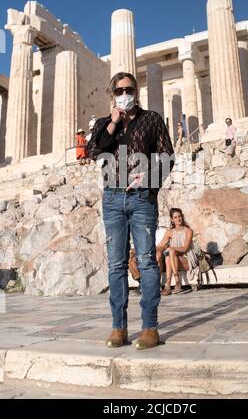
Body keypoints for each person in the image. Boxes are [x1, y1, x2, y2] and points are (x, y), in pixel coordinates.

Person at [87, 72, 174, 350]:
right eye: (120, 89)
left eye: (130, 88)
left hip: (141, 199)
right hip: (112, 199)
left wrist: (146, 177)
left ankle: (150, 327)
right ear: (113, 94)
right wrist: (113, 123)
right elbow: (93, 151)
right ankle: (119, 327)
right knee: (116, 264)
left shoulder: (151, 119)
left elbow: (167, 155)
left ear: (137, 91)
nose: (125, 93)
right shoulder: (103, 123)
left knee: (147, 261)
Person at [156, 208, 198, 296]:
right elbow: (159, 246)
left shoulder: (188, 231)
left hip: (187, 260)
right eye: (175, 217)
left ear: (182, 217)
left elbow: (185, 249)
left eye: (179, 216)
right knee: (168, 256)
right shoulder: (170, 232)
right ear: (172, 219)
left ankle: (176, 281)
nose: (178, 219)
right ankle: (169, 285)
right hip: (174, 260)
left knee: (170, 252)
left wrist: (171, 248)